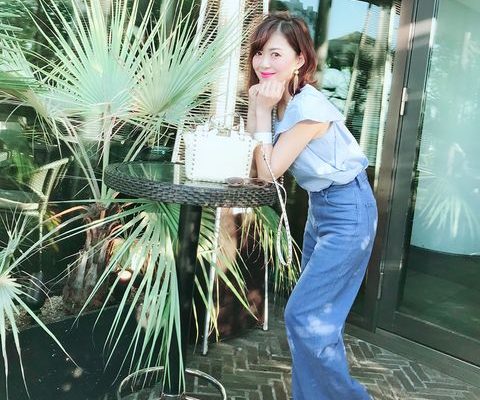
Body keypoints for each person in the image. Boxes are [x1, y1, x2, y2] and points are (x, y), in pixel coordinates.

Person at [246, 12, 378, 400]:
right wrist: (260, 109)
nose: (263, 62)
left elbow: (267, 171)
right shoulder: (280, 104)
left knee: (305, 316)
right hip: (322, 208)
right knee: (318, 323)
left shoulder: (309, 108)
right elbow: (256, 163)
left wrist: (259, 111)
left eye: (276, 54)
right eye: (259, 53)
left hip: (348, 210)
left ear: (299, 60)